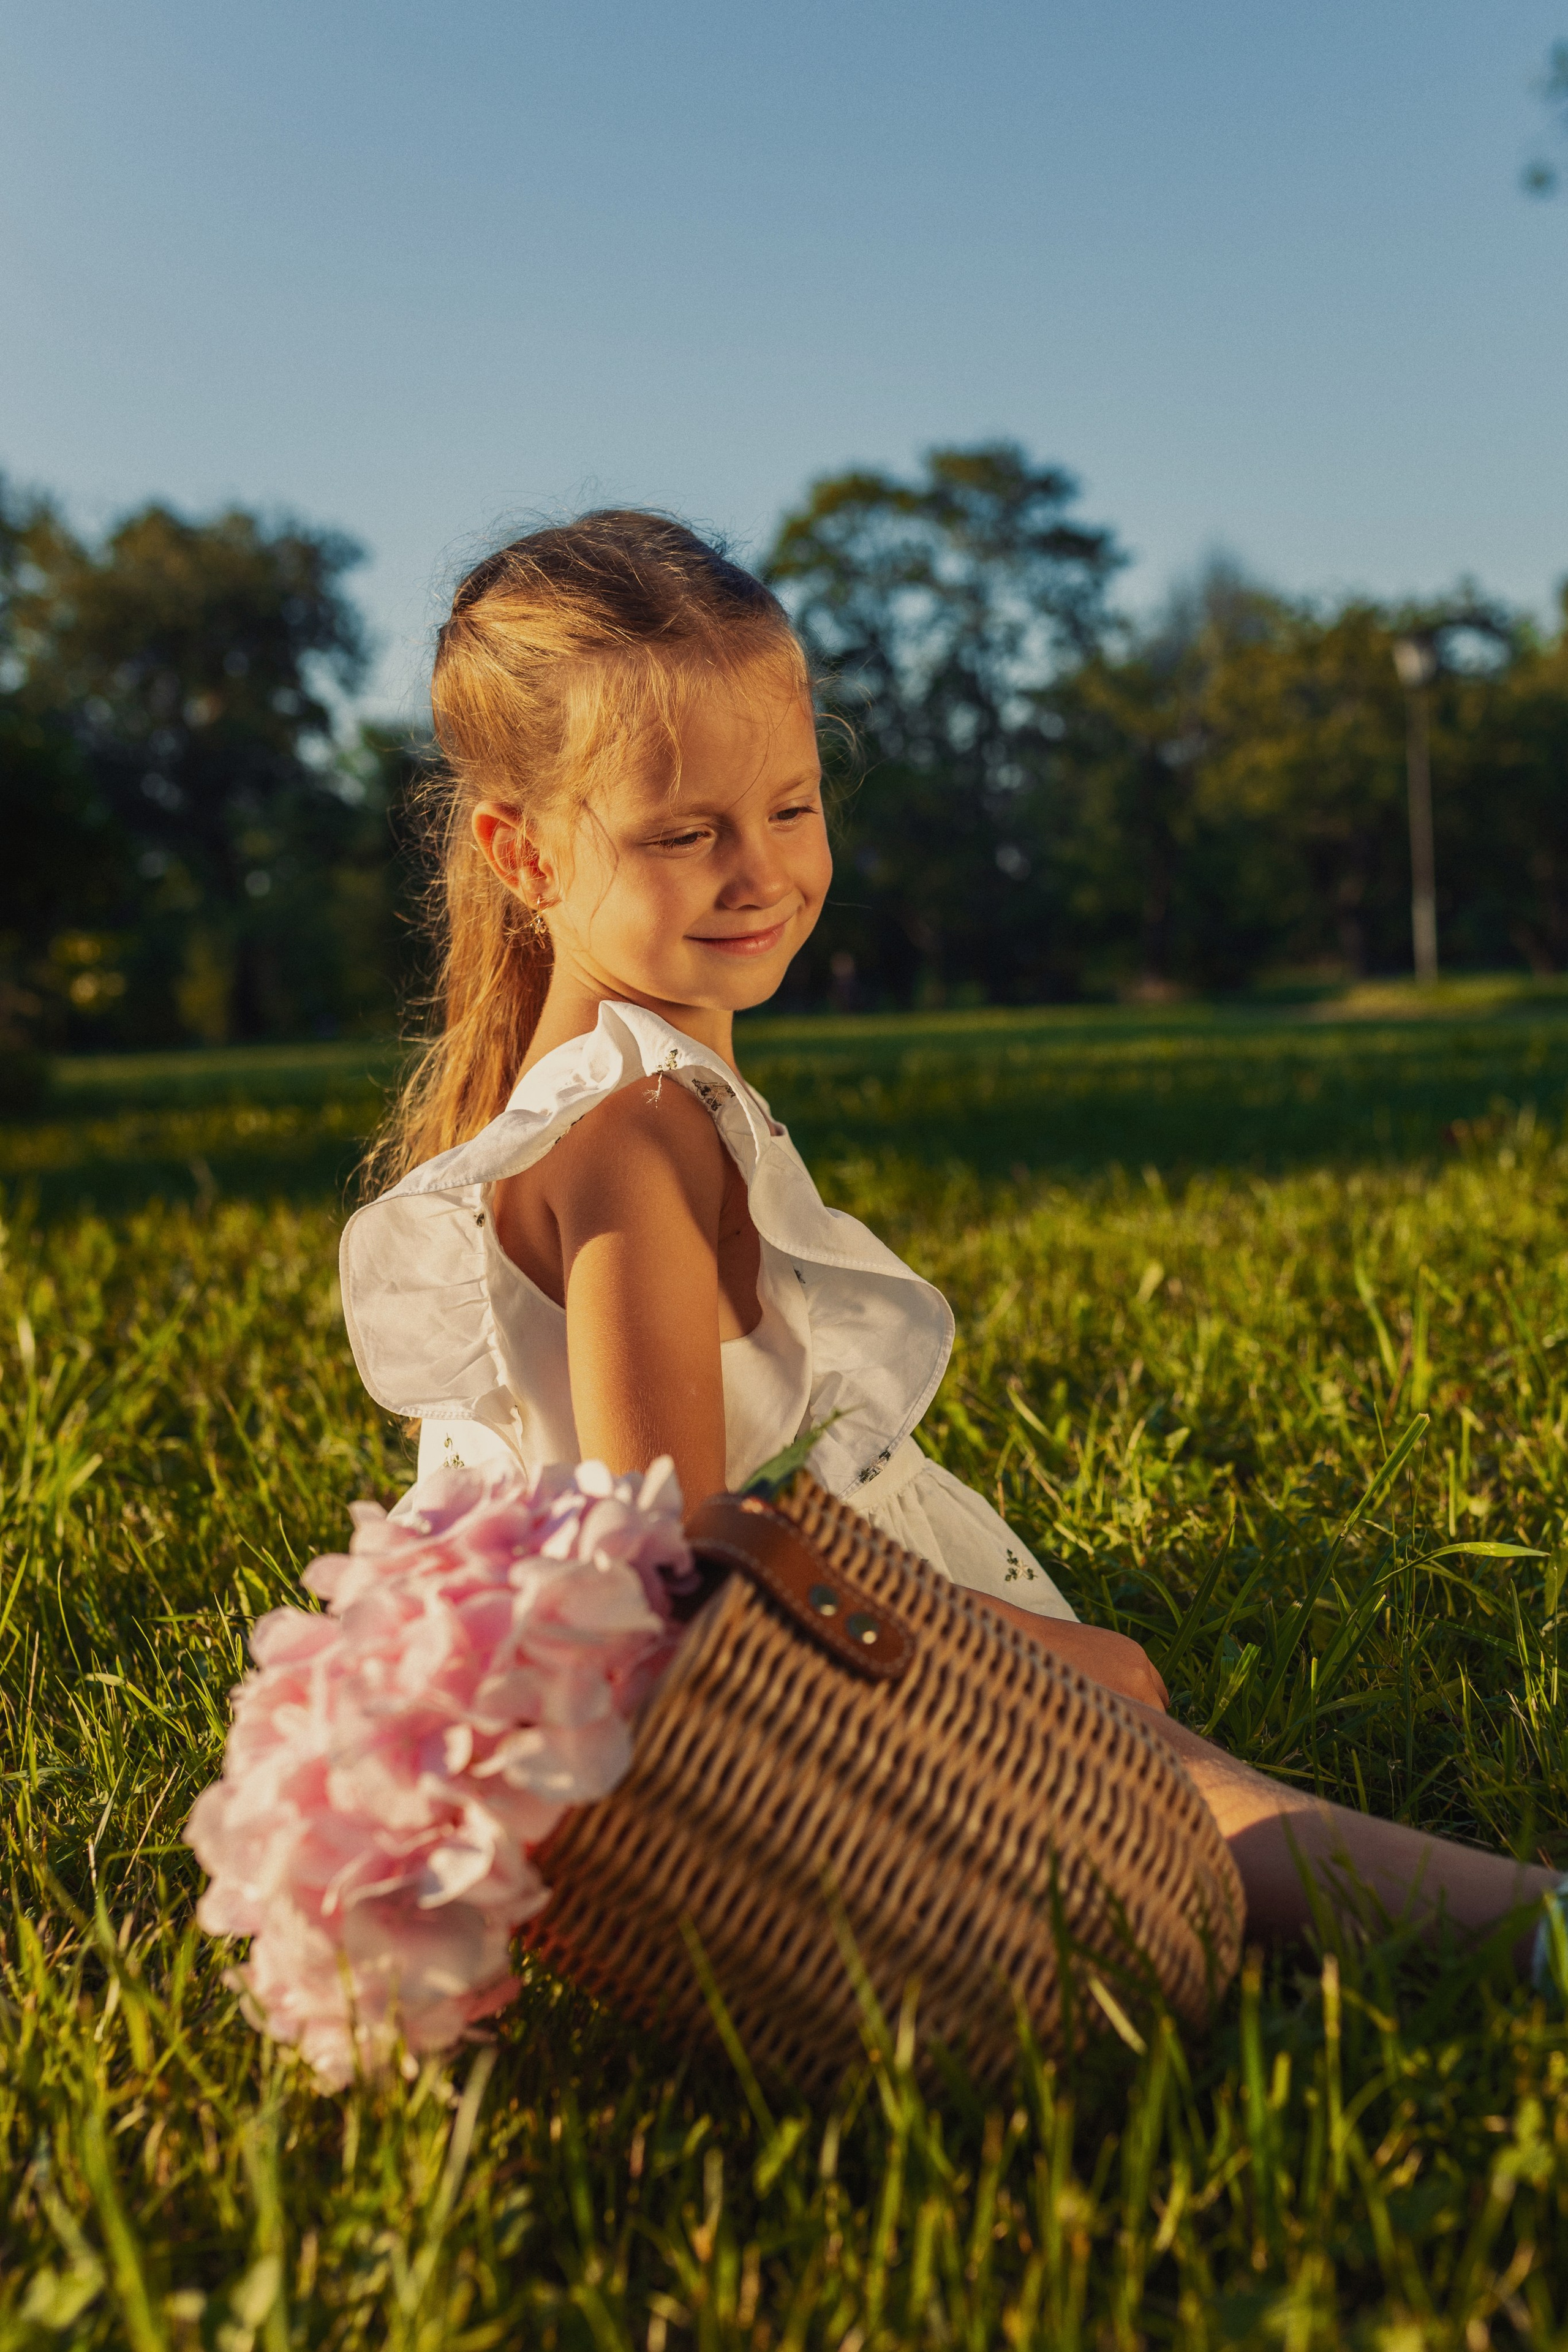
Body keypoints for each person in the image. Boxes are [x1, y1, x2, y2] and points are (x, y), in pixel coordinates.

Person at [342, 511, 1559, 1973]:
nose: (761, 870)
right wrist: (1013, 1665)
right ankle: (1518, 1935)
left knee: (1126, 1711)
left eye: (790, 808)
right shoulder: (627, 1136)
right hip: (737, 1695)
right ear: (519, 854)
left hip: (754, 1629)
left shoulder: (635, 1098)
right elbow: (661, 1567)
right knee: (1156, 1766)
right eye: (684, 833)